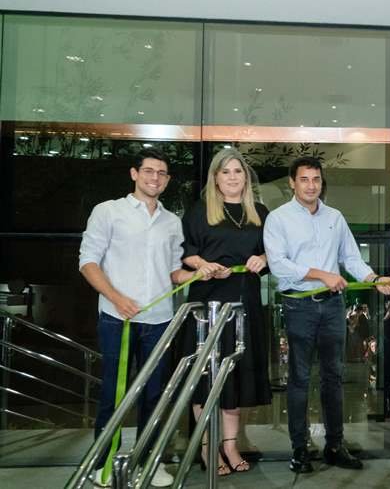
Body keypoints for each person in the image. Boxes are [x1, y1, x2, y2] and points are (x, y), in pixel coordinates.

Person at [263, 156, 390, 474]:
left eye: (316, 179)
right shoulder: (278, 219)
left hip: (333, 307)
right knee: (299, 378)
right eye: (304, 179)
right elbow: (279, 265)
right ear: (292, 183)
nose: (311, 185)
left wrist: (374, 279)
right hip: (299, 306)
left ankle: (335, 446)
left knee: (334, 377)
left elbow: (351, 258)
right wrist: (321, 274)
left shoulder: (334, 218)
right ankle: (300, 449)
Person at [79, 149, 197, 488]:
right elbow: (88, 262)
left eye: (161, 173)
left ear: (167, 180)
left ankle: (150, 462)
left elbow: (173, 272)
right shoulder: (108, 211)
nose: (154, 178)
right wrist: (117, 298)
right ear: (134, 173)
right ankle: (103, 464)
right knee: (113, 396)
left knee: (155, 396)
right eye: (149, 171)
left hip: (159, 322)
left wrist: (199, 274)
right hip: (117, 319)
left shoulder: (172, 222)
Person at [177, 149, 272, 476]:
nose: (233, 177)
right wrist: (202, 264)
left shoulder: (260, 212)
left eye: (238, 171)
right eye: (226, 171)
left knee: (237, 377)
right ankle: (207, 446)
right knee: (206, 377)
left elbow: (275, 252)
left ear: (246, 177)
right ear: (215, 177)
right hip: (208, 303)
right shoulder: (199, 211)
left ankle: (230, 445)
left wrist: (264, 258)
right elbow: (185, 252)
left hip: (246, 302)